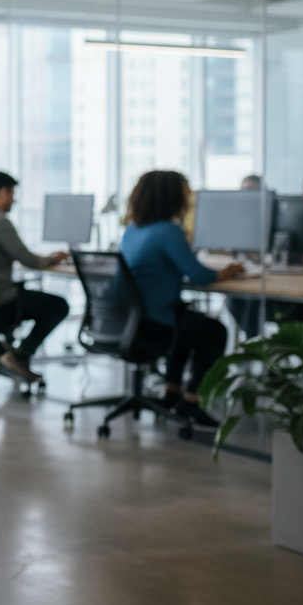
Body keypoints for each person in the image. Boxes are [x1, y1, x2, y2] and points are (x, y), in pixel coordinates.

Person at [119, 170, 243, 427]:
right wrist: (228, 271)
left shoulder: (132, 230)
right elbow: (199, 275)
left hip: (132, 321)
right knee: (215, 331)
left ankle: (171, 392)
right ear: (173, 197)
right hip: (155, 323)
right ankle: (192, 400)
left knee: (188, 324)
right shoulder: (168, 231)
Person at [0, 171, 70, 382]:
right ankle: (20, 354)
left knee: (26, 294)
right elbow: (30, 260)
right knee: (59, 306)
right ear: (2, 192)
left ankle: (9, 354)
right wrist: (52, 258)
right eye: (12, 194)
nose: (14, 200)